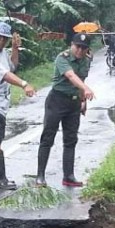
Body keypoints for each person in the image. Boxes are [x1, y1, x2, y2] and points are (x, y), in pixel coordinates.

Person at [0, 22, 36, 190]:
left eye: (5, 38)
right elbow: (5, 75)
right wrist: (24, 84)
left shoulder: (2, 52)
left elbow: (12, 67)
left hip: (0, 103)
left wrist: (15, 48)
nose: (2, 41)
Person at [36, 33, 96, 187]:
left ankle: (68, 176)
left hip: (73, 103)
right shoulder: (62, 58)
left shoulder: (86, 61)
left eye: (84, 48)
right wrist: (86, 89)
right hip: (57, 101)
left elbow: (81, 80)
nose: (80, 51)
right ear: (72, 45)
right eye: (78, 47)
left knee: (70, 140)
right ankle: (40, 176)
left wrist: (83, 101)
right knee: (47, 138)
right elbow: (71, 76)